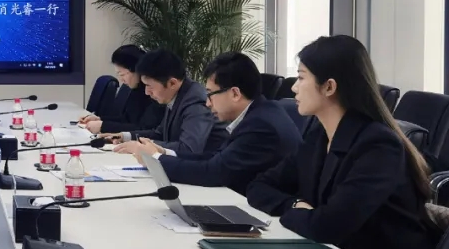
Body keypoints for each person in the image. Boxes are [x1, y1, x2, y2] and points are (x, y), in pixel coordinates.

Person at [246, 35, 441, 249]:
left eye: (302, 77)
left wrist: (297, 213)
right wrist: (296, 204)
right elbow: (258, 187)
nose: (294, 87)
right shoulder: (319, 137)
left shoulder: (378, 146)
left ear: (329, 87)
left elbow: (327, 227)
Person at [132, 52, 302, 195]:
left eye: (211, 94)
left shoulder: (260, 126)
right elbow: (215, 158)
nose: (207, 103)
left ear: (235, 94)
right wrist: (163, 152)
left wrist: (155, 159)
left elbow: (213, 173)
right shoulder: (258, 113)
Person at [104, 49, 227, 155]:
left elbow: (189, 149)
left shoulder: (195, 102)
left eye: (149, 86)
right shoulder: (176, 94)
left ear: (172, 83)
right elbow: (160, 134)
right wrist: (125, 136)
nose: (147, 92)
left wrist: (145, 146)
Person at [81, 45, 164, 134]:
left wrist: (104, 126)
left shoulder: (153, 92)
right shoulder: (136, 89)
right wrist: (100, 119)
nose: (121, 80)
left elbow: (144, 129)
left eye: (122, 74)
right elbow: (127, 119)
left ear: (136, 70)